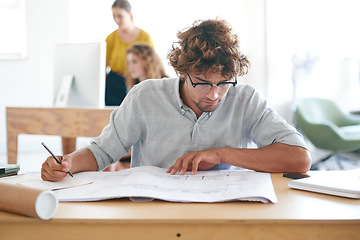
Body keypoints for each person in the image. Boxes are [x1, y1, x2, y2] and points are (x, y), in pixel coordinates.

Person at [41, 19, 311, 182]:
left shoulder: (245, 99)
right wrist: (66, 164)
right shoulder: (145, 96)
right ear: (182, 72)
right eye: (203, 82)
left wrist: (220, 154)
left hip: (225, 214)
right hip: (155, 212)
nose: (214, 94)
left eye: (224, 83)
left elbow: (299, 158)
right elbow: (102, 152)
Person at [103, 43, 168, 172]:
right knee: (108, 161)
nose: (130, 67)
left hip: (156, 146)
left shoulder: (164, 87)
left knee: (109, 162)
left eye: (134, 62)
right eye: (128, 62)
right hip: (135, 144)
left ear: (146, 62)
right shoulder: (134, 89)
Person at [105, 0, 154, 106]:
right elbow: (104, 64)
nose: (116, 20)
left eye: (120, 16)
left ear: (129, 14)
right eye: (114, 16)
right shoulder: (111, 38)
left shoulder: (145, 37)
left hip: (136, 81)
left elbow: (152, 63)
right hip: (114, 82)